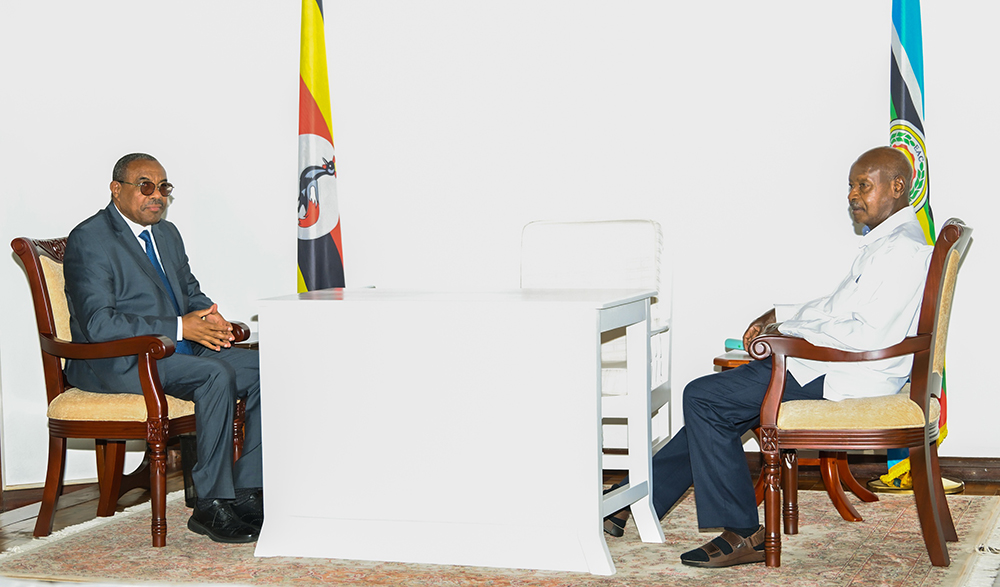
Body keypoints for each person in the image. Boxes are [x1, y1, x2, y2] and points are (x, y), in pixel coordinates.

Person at [604, 146, 933, 568]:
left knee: (704, 398)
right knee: (718, 406)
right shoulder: (889, 242)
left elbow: (865, 335)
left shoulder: (901, 251)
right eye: (850, 186)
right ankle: (631, 501)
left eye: (863, 186)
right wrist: (780, 315)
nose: (853, 195)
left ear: (897, 186)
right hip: (828, 363)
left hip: (844, 374)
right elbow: (838, 308)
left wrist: (790, 333)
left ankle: (743, 532)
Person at [63, 153, 263, 544]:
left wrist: (207, 318)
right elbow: (99, 324)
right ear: (116, 189)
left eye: (164, 188)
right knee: (214, 374)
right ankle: (210, 502)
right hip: (118, 359)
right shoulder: (90, 239)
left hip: (174, 351)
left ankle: (247, 489)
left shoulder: (167, 235)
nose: (157, 196)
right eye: (145, 186)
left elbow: (188, 292)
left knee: (268, 369)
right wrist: (178, 326)